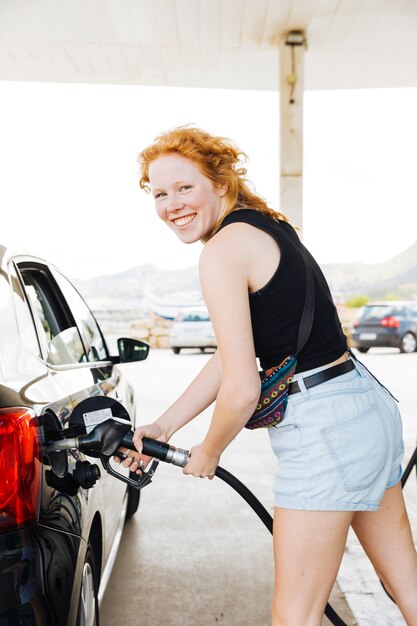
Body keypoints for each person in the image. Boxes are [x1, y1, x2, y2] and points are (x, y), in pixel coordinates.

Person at [116, 127, 417, 626]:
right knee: (407, 584)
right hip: (364, 409)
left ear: (219, 181)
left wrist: (209, 451)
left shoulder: (221, 251)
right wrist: (166, 427)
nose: (171, 204)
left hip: (325, 429)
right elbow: (235, 356)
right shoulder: (264, 226)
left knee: (294, 615)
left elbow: (242, 386)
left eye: (184, 187)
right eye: (159, 192)